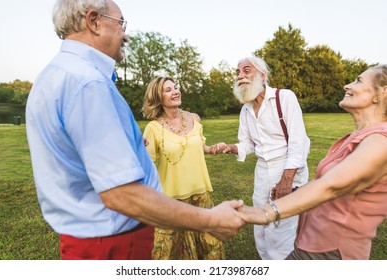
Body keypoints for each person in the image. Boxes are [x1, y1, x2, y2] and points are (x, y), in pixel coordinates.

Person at [25, 0, 244, 260]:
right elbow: (122, 193)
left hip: (91, 239)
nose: (125, 35)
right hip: (113, 244)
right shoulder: (88, 84)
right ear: (94, 21)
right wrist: (209, 220)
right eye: (120, 23)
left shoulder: (58, 74)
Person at [238, 64, 387, 260]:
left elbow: (331, 186)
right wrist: (297, 192)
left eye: (358, 80)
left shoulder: (381, 140)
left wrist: (262, 213)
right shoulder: (357, 137)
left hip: (332, 252)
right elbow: (335, 188)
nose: (346, 86)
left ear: (381, 94)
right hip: (311, 242)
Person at [221, 56, 310, 260]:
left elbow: (298, 142)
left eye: (246, 70)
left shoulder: (285, 97)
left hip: (288, 168)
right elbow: (247, 144)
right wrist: (231, 147)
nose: (240, 76)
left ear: (262, 75)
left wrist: (286, 180)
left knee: (281, 230)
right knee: (260, 228)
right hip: (262, 171)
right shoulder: (246, 109)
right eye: (237, 72)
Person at [142, 76, 227, 260]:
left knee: (209, 244)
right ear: (158, 98)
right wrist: (136, 148)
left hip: (200, 192)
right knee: (166, 251)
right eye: (168, 90)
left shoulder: (194, 118)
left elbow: (200, 147)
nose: (175, 91)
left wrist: (213, 148)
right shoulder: (154, 128)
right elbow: (145, 163)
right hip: (170, 200)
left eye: (176, 87)